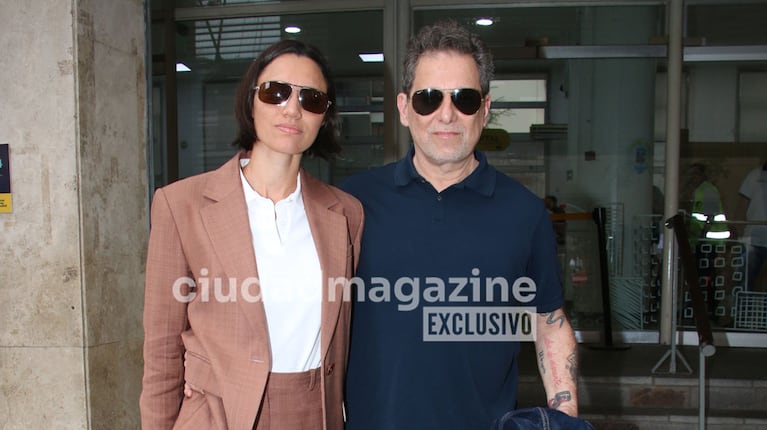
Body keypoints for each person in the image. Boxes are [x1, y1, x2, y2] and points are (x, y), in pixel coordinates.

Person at [340, 20, 580, 429]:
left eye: (464, 99)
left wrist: (566, 416)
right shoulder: (351, 203)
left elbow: (548, 321)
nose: (446, 114)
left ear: (484, 110)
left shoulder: (524, 213)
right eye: (428, 98)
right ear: (403, 108)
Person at [140, 39, 364, 430]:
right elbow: (161, 351)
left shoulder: (346, 213)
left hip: (316, 412)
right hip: (218, 415)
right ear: (251, 101)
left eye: (311, 99)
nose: (292, 109)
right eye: (276, 92)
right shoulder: (181, 205)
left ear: (324, 117)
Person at [737, 162, 767, 290]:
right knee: (745, 279)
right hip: (752, 237)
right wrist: (739, 233)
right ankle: (744, 309)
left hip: (752, 236)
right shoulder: (754, 175)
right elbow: (741, 207)